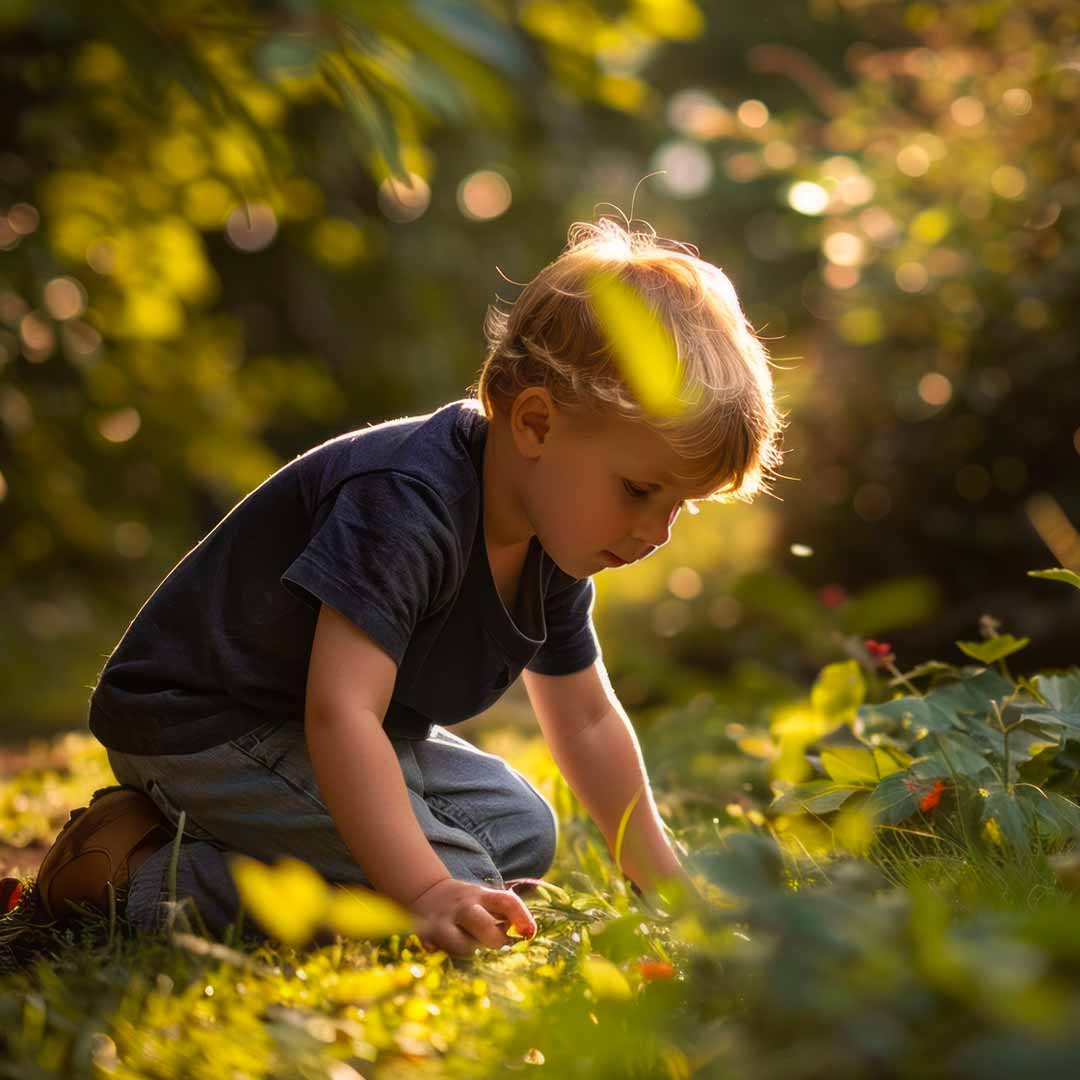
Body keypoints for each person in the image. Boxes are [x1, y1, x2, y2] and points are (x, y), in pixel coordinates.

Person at [28, 215, 786, 958]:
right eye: (640, 489)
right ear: (536, 424)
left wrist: (664, 883)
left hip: (311, 732)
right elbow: (342, 711)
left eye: (681, 505)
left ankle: (218, 842)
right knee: (452, 878)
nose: (658, 531)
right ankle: (126, 876)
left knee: (523, 829)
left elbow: (586, 720)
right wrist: (426, 892)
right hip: (205, 723)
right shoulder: (406, 500)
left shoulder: (556, 541)